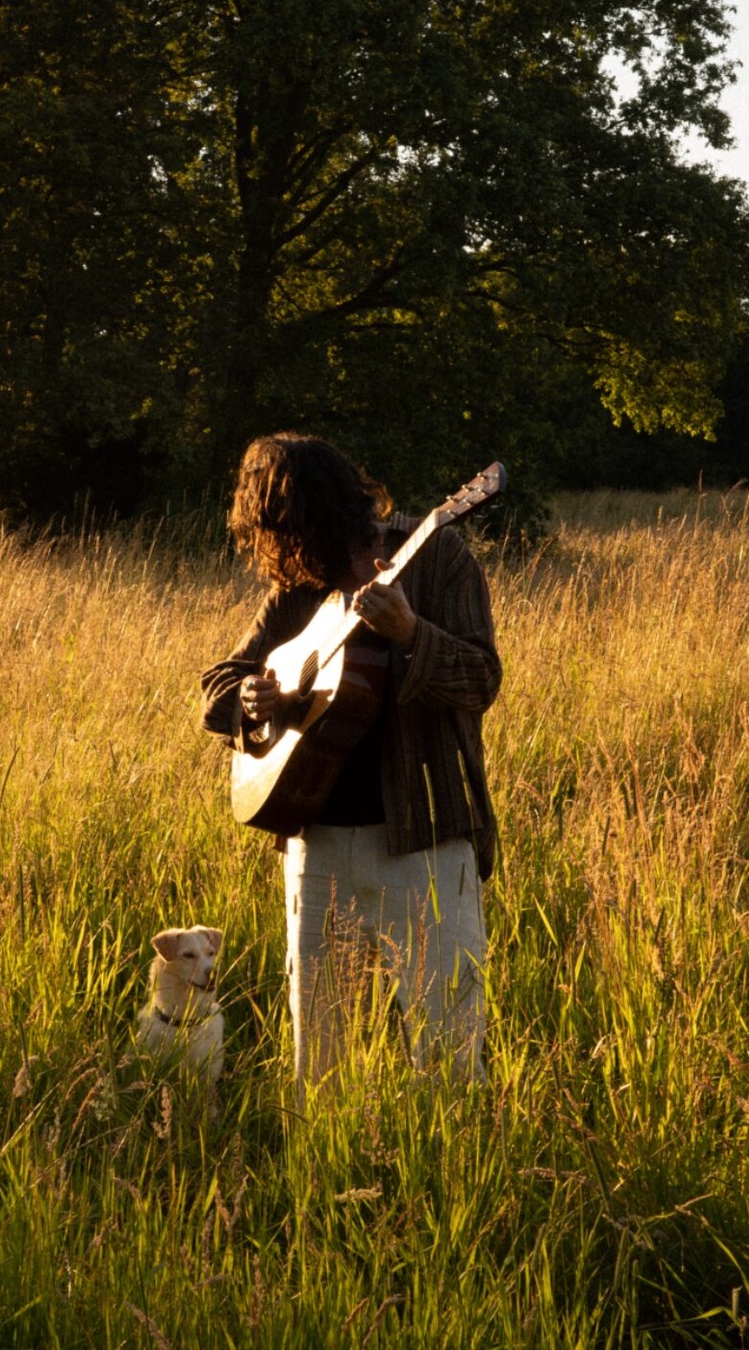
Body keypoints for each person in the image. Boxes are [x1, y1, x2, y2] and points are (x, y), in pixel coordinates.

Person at [201, 433, 501, 1100]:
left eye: (287, 530)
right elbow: (219, 684)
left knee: (451, 1062)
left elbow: (482, 679)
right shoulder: (299, 583)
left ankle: (455, 1164)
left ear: (322, 511)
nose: (282, 551)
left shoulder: (435, 555)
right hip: (316, 849)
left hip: (426, 841)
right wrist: (251, 701)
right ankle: (332, 1166)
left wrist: (411, 634)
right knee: (320, 1067)